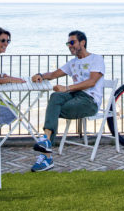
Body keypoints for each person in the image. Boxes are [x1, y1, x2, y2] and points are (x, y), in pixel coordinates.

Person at [29, 30, 105, 172]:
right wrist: (40, 75)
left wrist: (67, 88)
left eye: (72, 42)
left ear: (82, 42)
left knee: (53, 108)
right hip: (74, 95)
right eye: (68, 43)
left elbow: (91, 82)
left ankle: (46, 156)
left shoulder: (96, 59)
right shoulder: (73, 63)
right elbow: (53, 74)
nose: (69, 46)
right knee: (55, 97)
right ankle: (46, 143)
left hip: (89, 101)